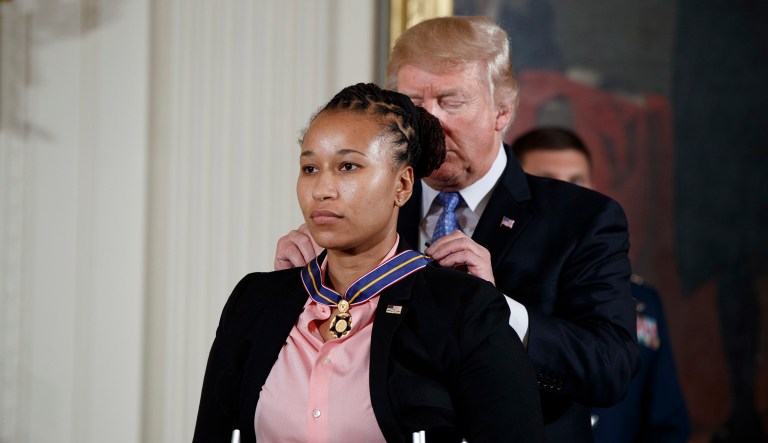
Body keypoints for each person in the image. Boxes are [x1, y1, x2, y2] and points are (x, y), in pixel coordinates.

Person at [274, 16, 639, 442]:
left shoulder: (583, 219)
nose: (427, 124)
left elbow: (610, 370)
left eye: (450, 102)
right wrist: (292, 298)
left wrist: (500, 311)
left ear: (503, 109)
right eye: (412, 104)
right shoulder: (360, 215)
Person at [194, 83, 545, 443]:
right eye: (310, 168)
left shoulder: (463, 307)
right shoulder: (254, 299)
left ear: (403, 185)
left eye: (348, 166)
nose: (321, 190)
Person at [511, 126, 691, 443]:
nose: (566, 196)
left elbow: (666, 420)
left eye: (577, 182)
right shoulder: (498, 293)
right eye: (549, 182)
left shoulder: (643, 301)